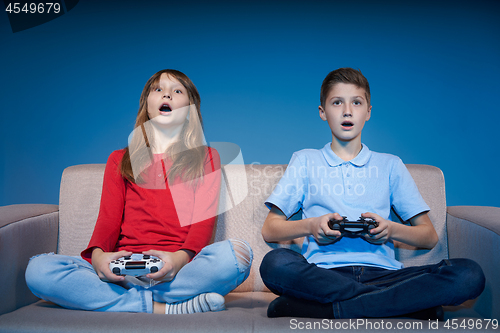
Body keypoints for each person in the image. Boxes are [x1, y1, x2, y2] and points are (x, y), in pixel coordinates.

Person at [259, 67, 485, 320]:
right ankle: (404, 305)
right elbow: (270, 229)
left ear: (368, 112)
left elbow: (429, 236)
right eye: (337, 103)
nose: (347, 111)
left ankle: (331, 309)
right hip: (323, 274)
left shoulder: (390, 165)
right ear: (323, 112)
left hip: (387, 274)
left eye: (356, 102)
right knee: (275, 263)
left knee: (469, 273)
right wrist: (312, 226)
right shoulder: (304, 160)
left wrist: (390, 230)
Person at [26, 69, 252, 314]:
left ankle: (124, 301)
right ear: (147, 104)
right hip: (123, 269)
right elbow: (108, 222)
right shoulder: (120, 159)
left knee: (239, 255)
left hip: (178, 269)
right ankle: (161, 307)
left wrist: (178, 260)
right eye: (158, 90)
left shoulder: (206, 157)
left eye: (177, 91)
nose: (167, 94)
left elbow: (202, 226)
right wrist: (100, 257)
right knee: (38, 269)